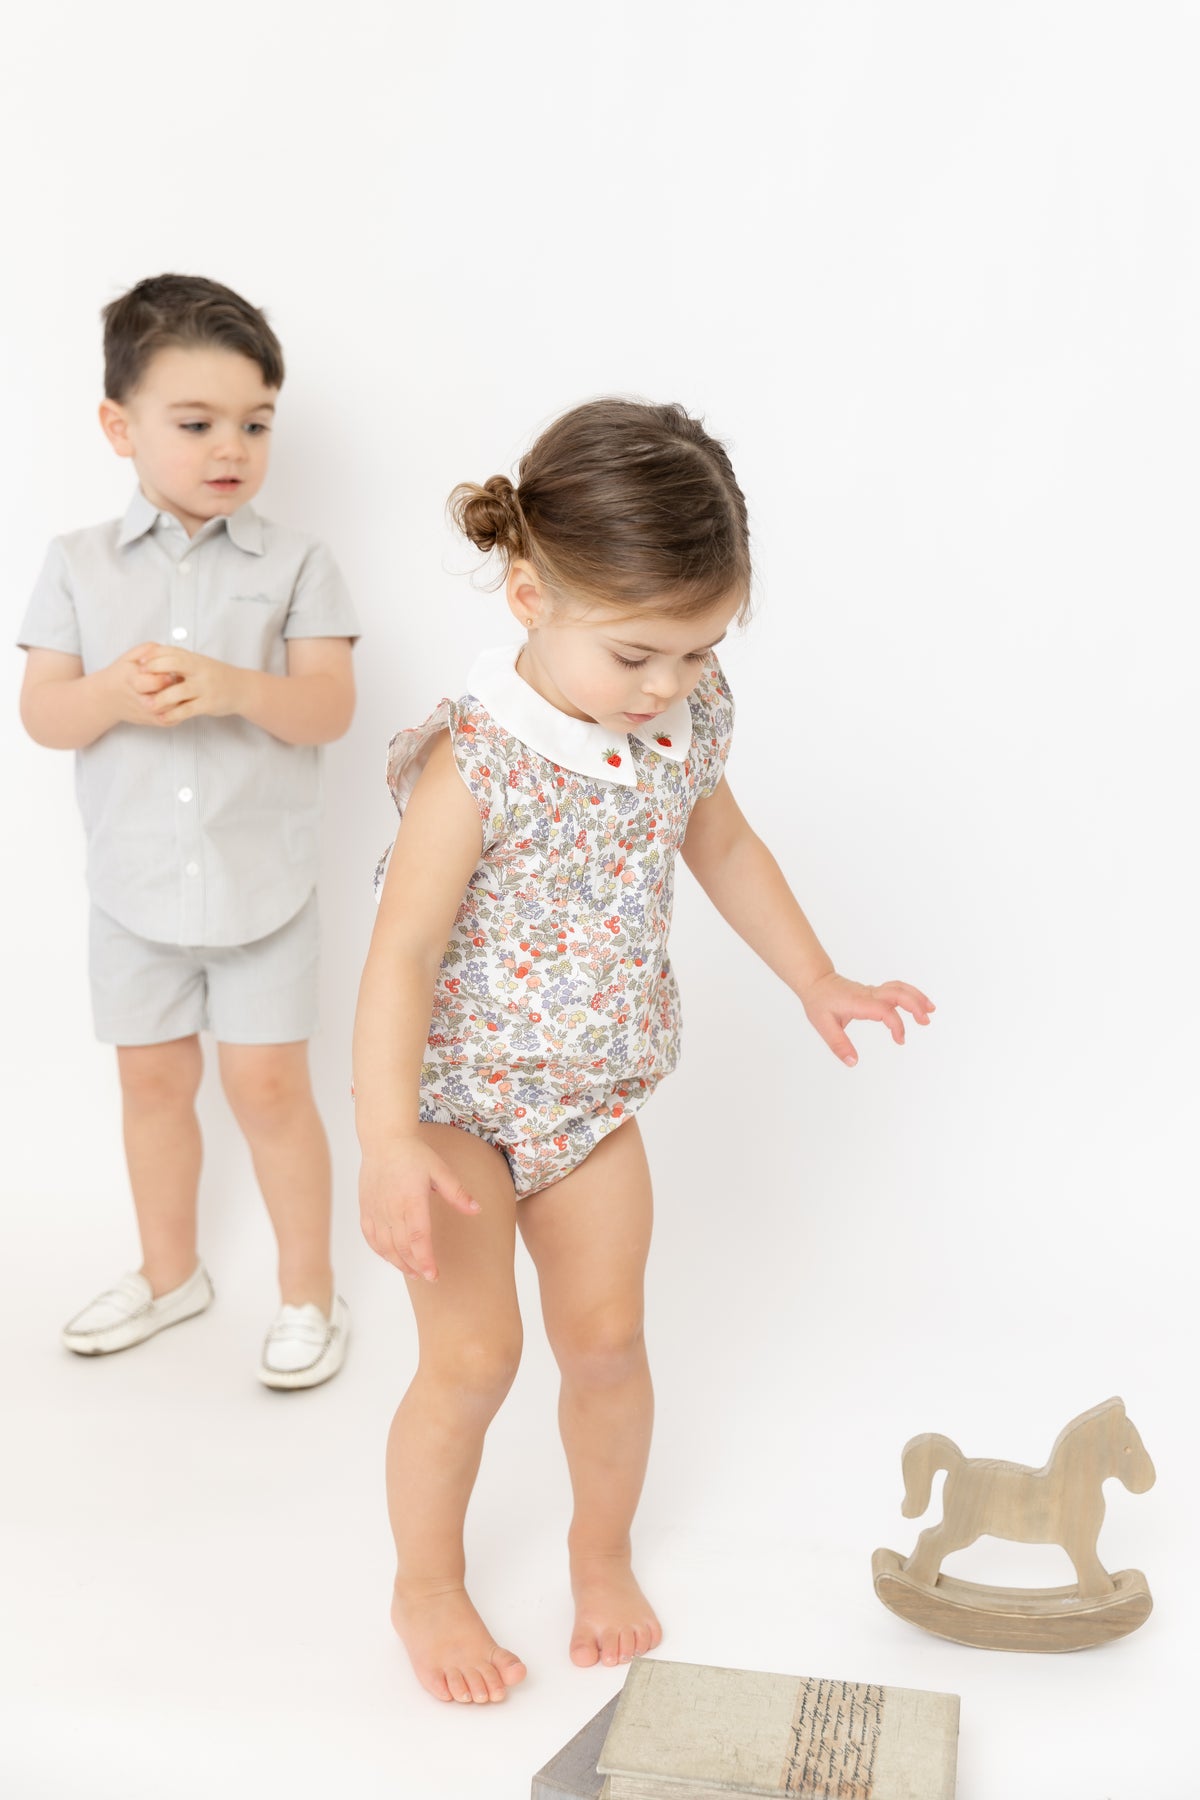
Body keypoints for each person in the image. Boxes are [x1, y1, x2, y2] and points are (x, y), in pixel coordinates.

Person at [353, 398, 934, 1703]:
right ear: (529, 597)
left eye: (700, 648)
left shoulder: (681, 712)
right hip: (454, 1107)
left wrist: (817, 977)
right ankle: (427, 1585)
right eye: (636, 654)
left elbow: (719, 840)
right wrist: (387, 1141)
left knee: (609, 1343)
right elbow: (399, 958)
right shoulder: (479, 766)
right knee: (475, 1359)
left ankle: (600, 1552)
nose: (668, 683)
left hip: (592, 1106)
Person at [18, 274, 358, 1389]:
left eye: (256, 424)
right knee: (153, 1090)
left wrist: (235, 686)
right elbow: (44, 716)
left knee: (270, 1092)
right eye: (198, 423)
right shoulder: (75, 561)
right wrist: (112, 693)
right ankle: (171, 1277)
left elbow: (329, 708)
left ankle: (309, 1293)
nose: (232, 449)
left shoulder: (298, 563)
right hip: (132, 894)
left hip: (265, 894)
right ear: (119, 427)